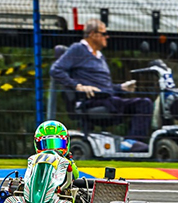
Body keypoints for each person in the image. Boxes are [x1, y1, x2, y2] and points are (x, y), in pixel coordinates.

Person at [50, 18, 152, 152]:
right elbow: (55, 70)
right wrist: (78, 86)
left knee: (145, 103)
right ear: (92, 34)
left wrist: (120, 88)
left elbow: (105, 87)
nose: (107, 37)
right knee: (120, 102)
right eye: (104, 34)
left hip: (106, 98)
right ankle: (130, 144)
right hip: (91, 100)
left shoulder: (99, 56)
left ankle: (132, 142)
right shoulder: (78, 50)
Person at [32, 120, 80, 194]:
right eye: (46, 145)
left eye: (57, 144)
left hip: (61, 195)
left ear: (67, 143)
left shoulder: (67, 161)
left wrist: (67, 163)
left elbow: (75, 175)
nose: (51, 150)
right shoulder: (35, 161)